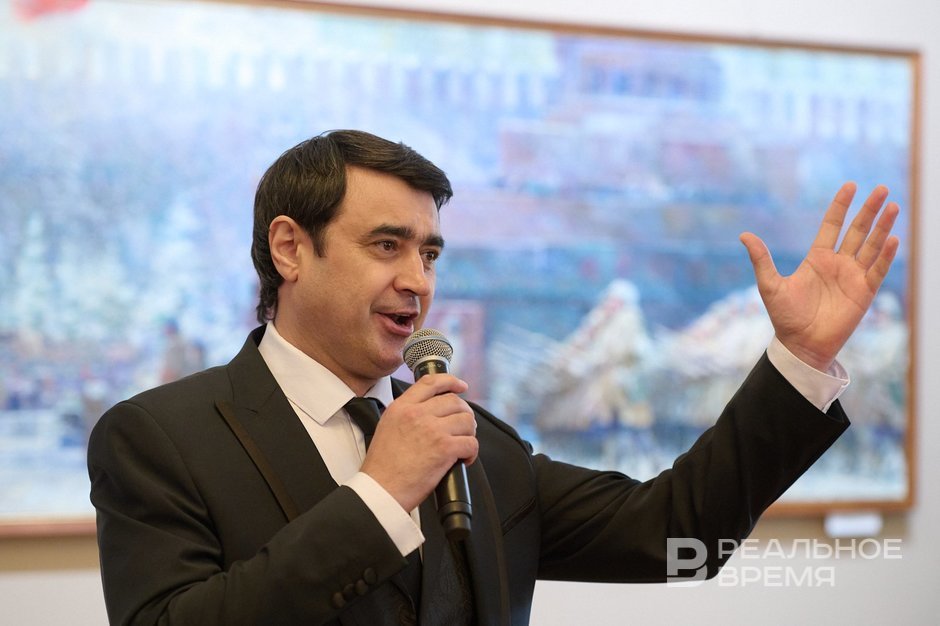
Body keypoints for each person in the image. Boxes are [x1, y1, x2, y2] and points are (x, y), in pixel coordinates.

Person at [88, 129, 900, 626]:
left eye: (430, 252)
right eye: (386, 246)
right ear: (290, 248)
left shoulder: (476, 445)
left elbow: (679, 535)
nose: (418, 281)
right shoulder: (159, 439)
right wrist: (380, 495)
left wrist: (800, 361)